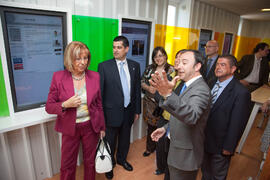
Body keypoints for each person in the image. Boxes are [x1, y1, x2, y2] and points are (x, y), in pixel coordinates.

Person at [45, 41, 105, 180]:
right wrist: (65, 104)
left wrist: (102, 126)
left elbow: (98, 104)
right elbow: (49, 106)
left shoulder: (95, 76)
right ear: (70, 59)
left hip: (90, 126)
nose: (83, 62)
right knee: (67, 164)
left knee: (90, 162)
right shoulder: (58, 77)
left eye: (85, 58)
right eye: (78, 58)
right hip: (69, 127)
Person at [150, 49, 211, 180]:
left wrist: (168, 94)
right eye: (178, 62)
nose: (178, 66)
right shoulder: (186, 85)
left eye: (184, 62)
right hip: (176, 150)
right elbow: (179, 114)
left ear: (197, 66)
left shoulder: (201, 90)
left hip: (186, 158)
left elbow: (192, 116)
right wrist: (166, 129)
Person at [201, 55, 251, 180]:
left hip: (221, 144)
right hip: (204, 139)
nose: (218, 67)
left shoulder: (241, 92)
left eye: (223, 65)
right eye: (217, 64)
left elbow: (237, 123)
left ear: (233, 69)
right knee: (205, 172)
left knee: (217, 175)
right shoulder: (211, 83)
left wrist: (229, 147)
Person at [98, 35, 141, 179]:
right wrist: (101, 116)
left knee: (124, 139)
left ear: (126, 49)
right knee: (110, 141)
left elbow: (136, 90)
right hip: (110, 113)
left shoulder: (135, 66)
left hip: (128, 111)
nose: (115, 50)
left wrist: (137, 111)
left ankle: (122, 159)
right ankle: (109, 165)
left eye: (119, 47)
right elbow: (100, 94)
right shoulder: (104, 66)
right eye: (114, 47)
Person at [155, 49, 183, 179]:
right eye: (177, 58)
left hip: (176, 121)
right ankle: (161, 168)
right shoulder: (171, 76)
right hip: (164, 117)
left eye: (182, 60)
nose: (178, 62)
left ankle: (168, 171)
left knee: (171, 150)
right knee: (161, 146)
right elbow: (158, 94)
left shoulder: (186, 83)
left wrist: (167, 93)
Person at [141, 47, 173, 160]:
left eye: (160, 55)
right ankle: (149, 148)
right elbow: (142, 82)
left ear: (165, 56)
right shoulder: (150, 68)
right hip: (150, 103)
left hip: (164, 104)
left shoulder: (172, 70)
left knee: (162, 126)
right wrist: (148, 88)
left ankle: (161, 151)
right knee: (150, 127)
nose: (158, 58)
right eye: (155, 56)